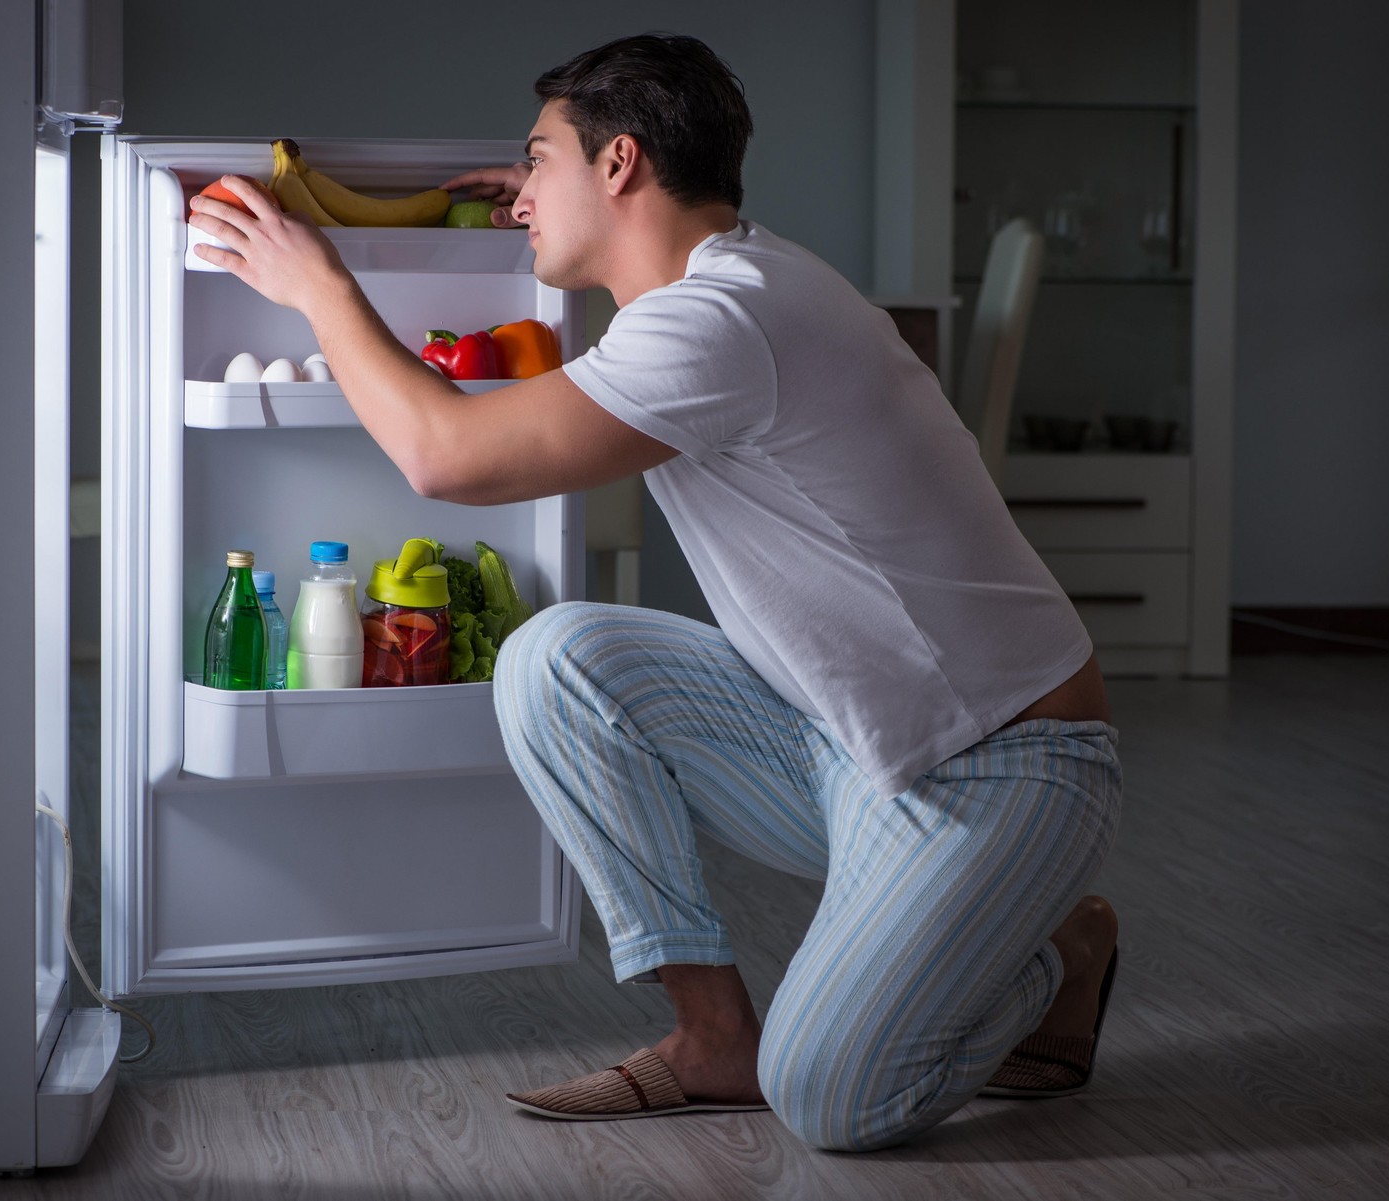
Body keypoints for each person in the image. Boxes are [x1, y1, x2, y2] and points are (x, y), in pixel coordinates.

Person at [187, 32, 1123, 1153]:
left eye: (539, 161)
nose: (523, 192)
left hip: (1004, 767)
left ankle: (1054, 950)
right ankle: (712, 1033)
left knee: (832, 1098)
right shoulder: (720, 285)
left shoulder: (720, 321)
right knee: (554, 658)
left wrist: (319, 285)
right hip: (852, 745)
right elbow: (572, 321)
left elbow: (449, 458)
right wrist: (547, 214)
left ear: (620, 163)